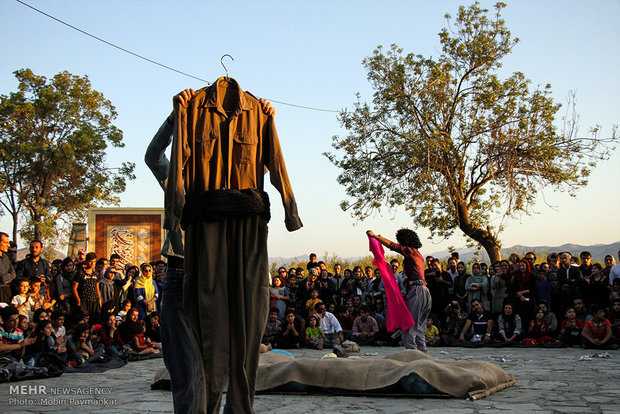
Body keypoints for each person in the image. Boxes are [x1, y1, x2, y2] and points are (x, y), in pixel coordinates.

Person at [367, 228, 432, 352]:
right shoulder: (417, 255)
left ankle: (412, 353)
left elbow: (393, 246)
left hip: (417, 291)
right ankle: (422, 353)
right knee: (419, 326)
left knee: (409, 324)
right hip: (423, 291)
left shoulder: (411, 252)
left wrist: (376, 237)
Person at [72, 252, 102, 324]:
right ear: (86, 261)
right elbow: (74, 288)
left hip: (94, 301)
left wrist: (100, 299)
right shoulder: (80, 273)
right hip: (84, 301)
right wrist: (78, 300)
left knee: (94, 322)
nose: (92, 264)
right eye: (90, 262)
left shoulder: (96, 274)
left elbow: (97, 287)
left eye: (94, 262)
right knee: (84, 322)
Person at [0, 232, 17, 305]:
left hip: (6, 292)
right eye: (6, 242)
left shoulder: (6, 257)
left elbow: (13, 274)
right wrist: (5, 277)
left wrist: (5, 277)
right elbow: (2, 278)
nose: (8, 245)